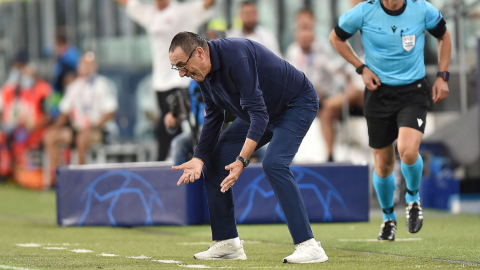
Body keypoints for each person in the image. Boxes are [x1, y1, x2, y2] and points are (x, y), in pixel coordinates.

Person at [169, 32, 328, 263]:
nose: (182, 73)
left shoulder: (236, 56)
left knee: (274, 164)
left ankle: (309, 246)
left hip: (296, 104)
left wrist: (242, 160)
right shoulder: (202, 74)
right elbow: (214, 118)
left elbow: (259, 116)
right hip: (262, 113)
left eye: (182, 65)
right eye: (177, 68)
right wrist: (198, 158)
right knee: (213, 161)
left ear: (200, 53)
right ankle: (227, 243)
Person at [330, 0, 451, 240]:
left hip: (413, 91)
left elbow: (444, 36)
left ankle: (413, 199)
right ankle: (388, 218)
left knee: (407, 150)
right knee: (383, 165)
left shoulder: (422, 9)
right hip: (378, 94)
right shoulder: (364, 11)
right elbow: (336, 37)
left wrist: (442, 76)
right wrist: (361, 68)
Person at [114, 0, 215, 161]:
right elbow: (128, 4)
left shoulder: (183, 12)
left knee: (168, 125)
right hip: (160, 83)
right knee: (174, 128)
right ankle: (183, 162)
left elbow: (206, 4)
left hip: (182, 80)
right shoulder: (149, 14)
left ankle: (163, 165)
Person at [286, 9, 364, 162]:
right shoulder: (292, 51)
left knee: (331, 108)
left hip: (330, 95)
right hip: (307, 99)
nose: (305, 32)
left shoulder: (323, 47)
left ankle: (330, 156)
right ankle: (293, 156)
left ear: (313, 25)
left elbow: (337, 70)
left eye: (307, 26)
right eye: (301, 26)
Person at [43, 53, 118, 180]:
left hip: (96, 130)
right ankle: (61, 177)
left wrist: (94, 126)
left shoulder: (102, 84)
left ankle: (81, 179)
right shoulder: (74, 86)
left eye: (89, 64)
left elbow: (110, 112)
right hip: (77, 129)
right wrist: (54, 127)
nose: (85, 67)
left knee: (82, 138)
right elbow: (64, 113)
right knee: (50, 137)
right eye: (83, 64)